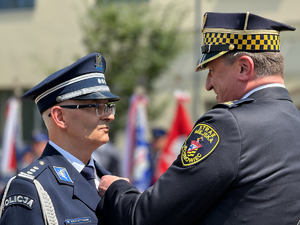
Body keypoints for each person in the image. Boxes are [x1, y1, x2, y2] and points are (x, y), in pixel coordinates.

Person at [96, 12, 300, 224]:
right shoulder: (295, 121)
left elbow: (148, 216)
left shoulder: (228, 124)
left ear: (244, 67)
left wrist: (115, 190)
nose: (208, 85)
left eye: (212, 70)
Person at [0, 52, 120, 224]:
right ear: (60, 117)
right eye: (97, 107)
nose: (109, 116)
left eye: (109, 106)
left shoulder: (109, 181)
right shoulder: (30, 188)